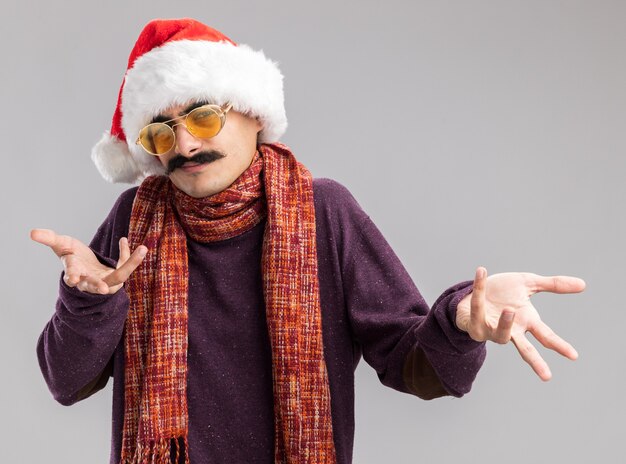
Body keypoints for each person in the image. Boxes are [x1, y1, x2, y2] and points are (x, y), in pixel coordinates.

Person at [31, 18, 585, 464]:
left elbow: (408, 361)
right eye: (159, 131)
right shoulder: (135, 221)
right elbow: (66, 382)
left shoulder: (324, 210)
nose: (182, 144)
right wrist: (87, 304)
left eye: (202, 117)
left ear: (252, 112)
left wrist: (463, 322)